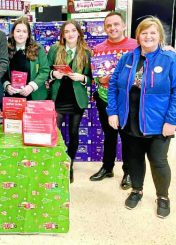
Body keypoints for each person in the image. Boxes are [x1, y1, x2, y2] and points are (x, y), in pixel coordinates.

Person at [107, 16, 176, 218]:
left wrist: (172, 120)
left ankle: (163, 197)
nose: (148, 36)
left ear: (160, 36)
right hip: (130, 119)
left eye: (153, 32)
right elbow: (113, 86)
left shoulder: (169, 59)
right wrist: (113, 112)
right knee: (135, 159)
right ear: (138, 36)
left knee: (158, 160)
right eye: (144, 32)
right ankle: (136, 190)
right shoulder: (127, 58)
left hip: (158, 122)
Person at [89, 12, 138, 190]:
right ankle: (107, 167)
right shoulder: (98, 48)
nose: (112, 28)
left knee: (127, 136)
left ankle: (129, 171)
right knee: (109, 134)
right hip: (105, 98)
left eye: (116, 24)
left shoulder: (136, 46)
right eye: (109, 25)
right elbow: (94, 74)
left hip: (128, 99)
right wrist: (99, 80)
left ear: (124, 26)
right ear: (104, 28)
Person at [47, 20, 92, 183]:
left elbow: (93, 78)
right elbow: (46, 71)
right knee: (55, 133)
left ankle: (69, 165)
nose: (70, 34)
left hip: (76, 100)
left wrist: (83, 78)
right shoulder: (54, 50)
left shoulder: (86, 53)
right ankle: (56, 164)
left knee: (73, 133)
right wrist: (53, 75)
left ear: (79, 33)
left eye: (74, 30)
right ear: (62, 35)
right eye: (67, 31)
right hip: (58, 98)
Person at [3, 16, 49, 100]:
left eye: (24, 31)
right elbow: (2, 72)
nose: (21, 34)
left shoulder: (38, 49)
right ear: (13, 33)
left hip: (33, 95)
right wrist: (6, 85)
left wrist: (32, 86)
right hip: (12, 97)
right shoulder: (5, 49)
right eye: (18, 31)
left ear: (28, 35)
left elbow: (45, 71)